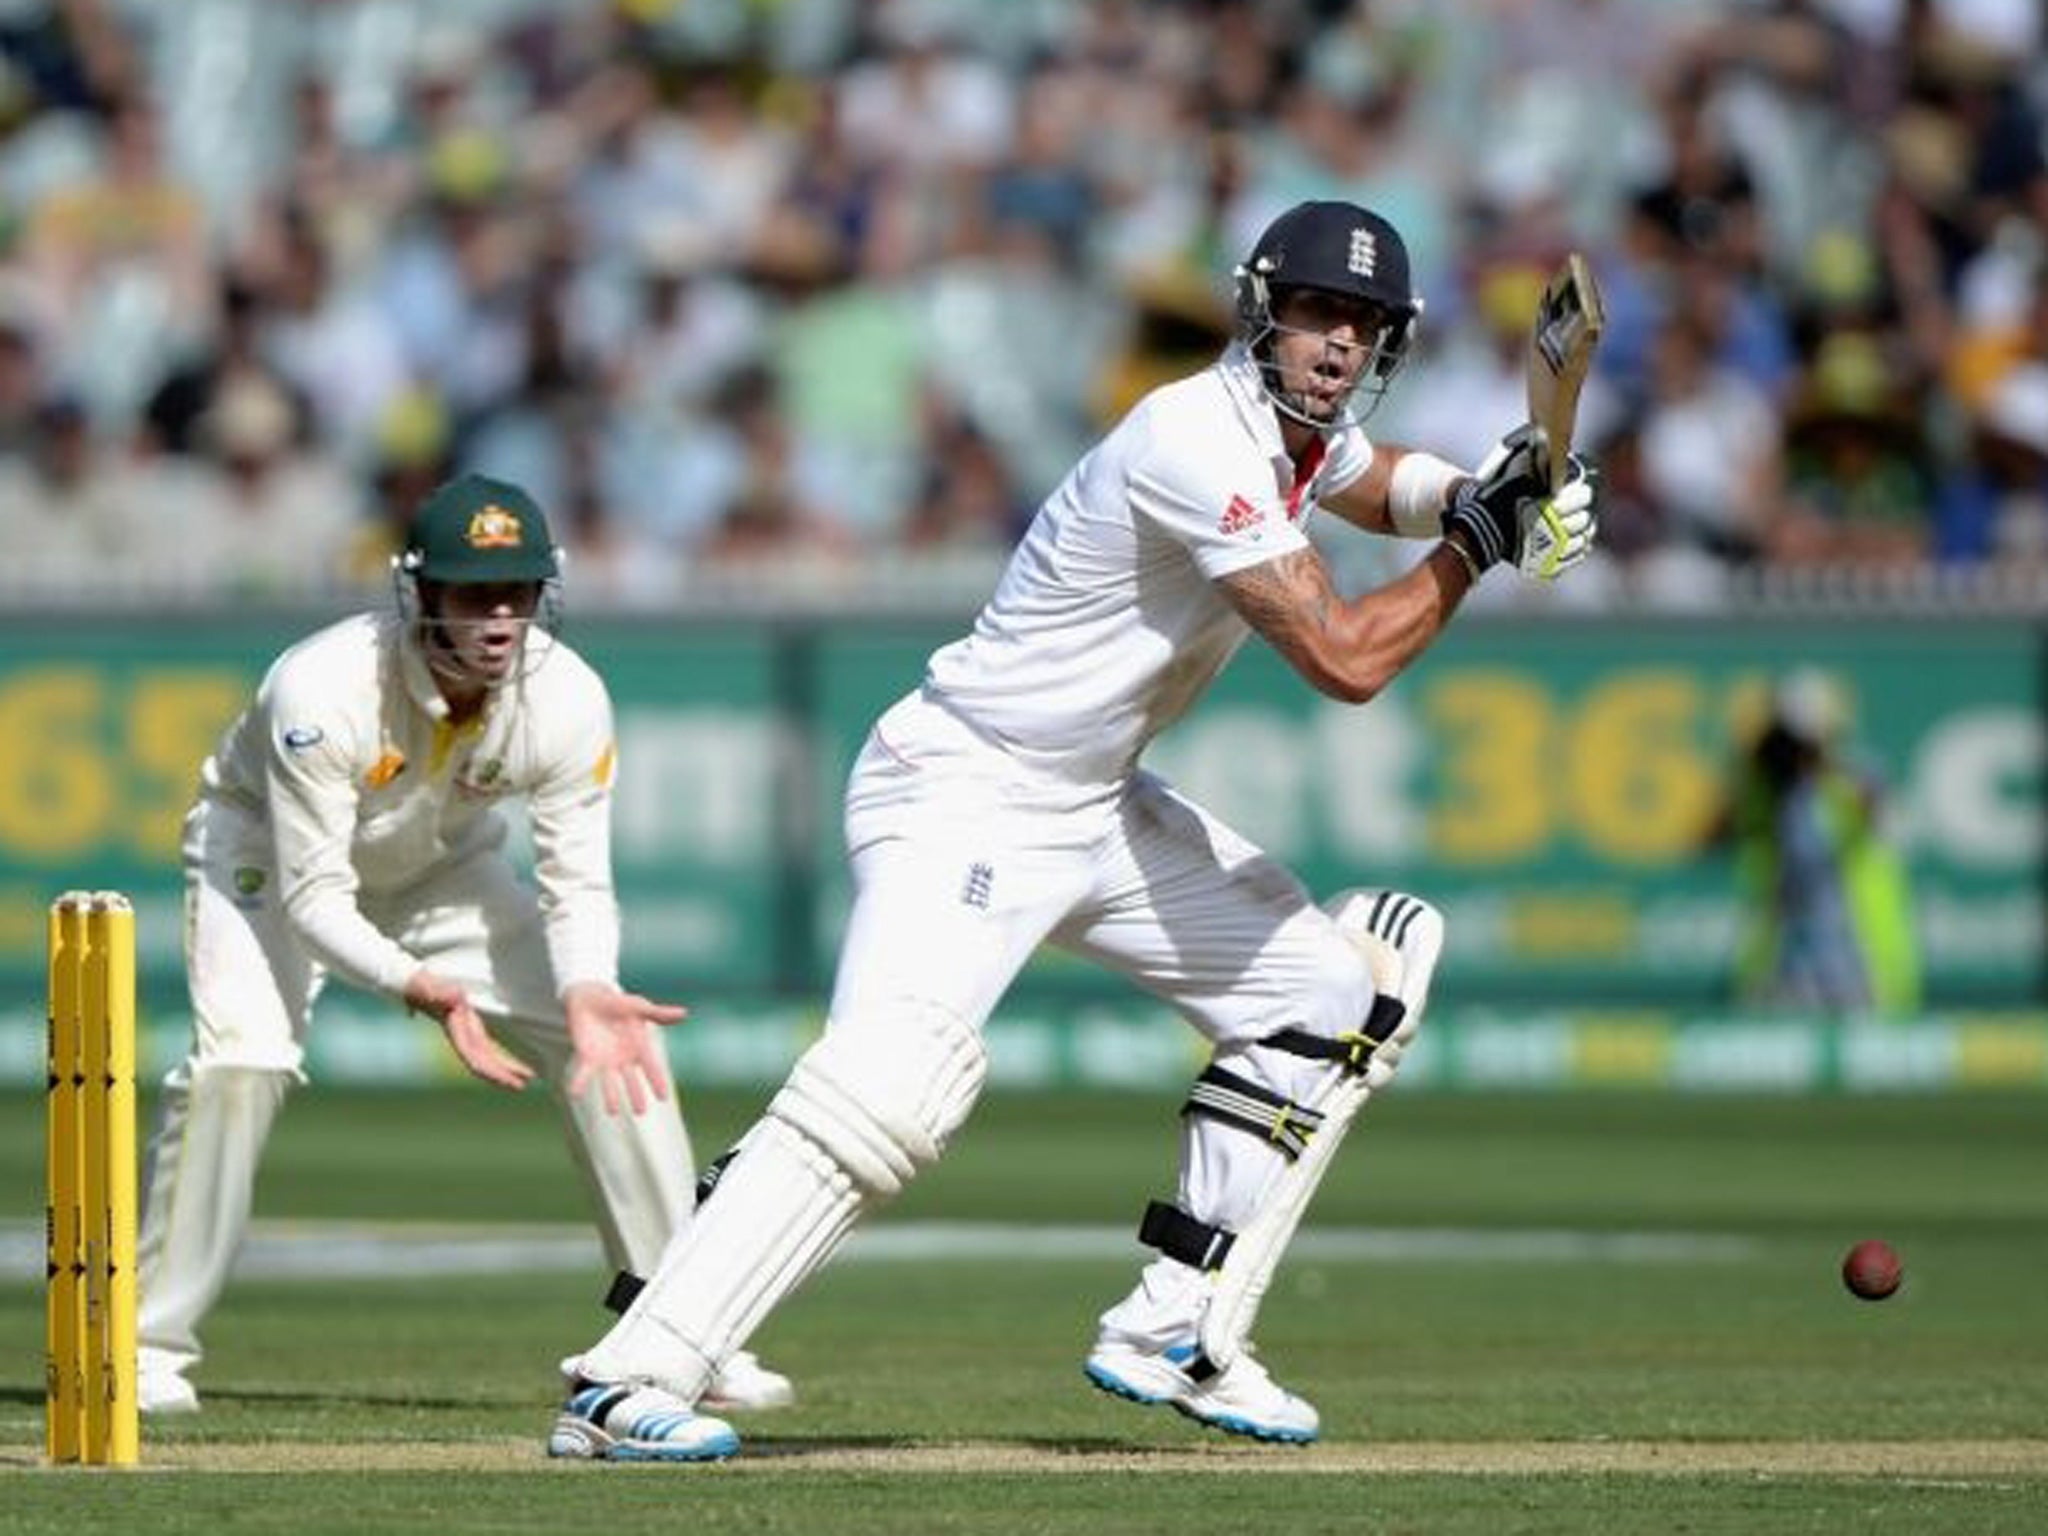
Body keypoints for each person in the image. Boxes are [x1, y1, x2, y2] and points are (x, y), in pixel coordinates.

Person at [543, 200, 1599, 1462]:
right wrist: (1483, 541)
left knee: (1326, 992)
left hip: (1090, 803)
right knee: (895, 1082)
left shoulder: (1298, 436)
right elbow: (1343, 658)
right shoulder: (1192, 435)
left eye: (1361, 326)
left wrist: (1493, 483)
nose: (1335, 344)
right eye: (1317, 312)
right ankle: (629, 1376)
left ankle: (1172, 1324)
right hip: (966, 787)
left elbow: (1380, 485)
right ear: (1260, 311)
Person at [135, 472, 792, 1416]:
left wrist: (590, 987)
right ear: (421, 594)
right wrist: (425, 987)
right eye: (473, 595)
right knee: (242, 1062)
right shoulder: (321, 688)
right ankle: (150, 1345)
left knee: (615, 1044)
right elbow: (317, 898)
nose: (497, 620)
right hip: (267, 864)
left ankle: (681, 1332)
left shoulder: (567, 698)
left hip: (443, 870)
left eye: (516, 595)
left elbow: (579, 885)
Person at [1710, 667, 1920, 1016]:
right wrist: (1750, 766)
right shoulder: (1768, 790)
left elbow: (1879, 815)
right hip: (1785, 961)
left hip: (1859, 961)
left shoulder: (1857, 776)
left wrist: (1826, 768)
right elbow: (1714, 835)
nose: (1797, 753)